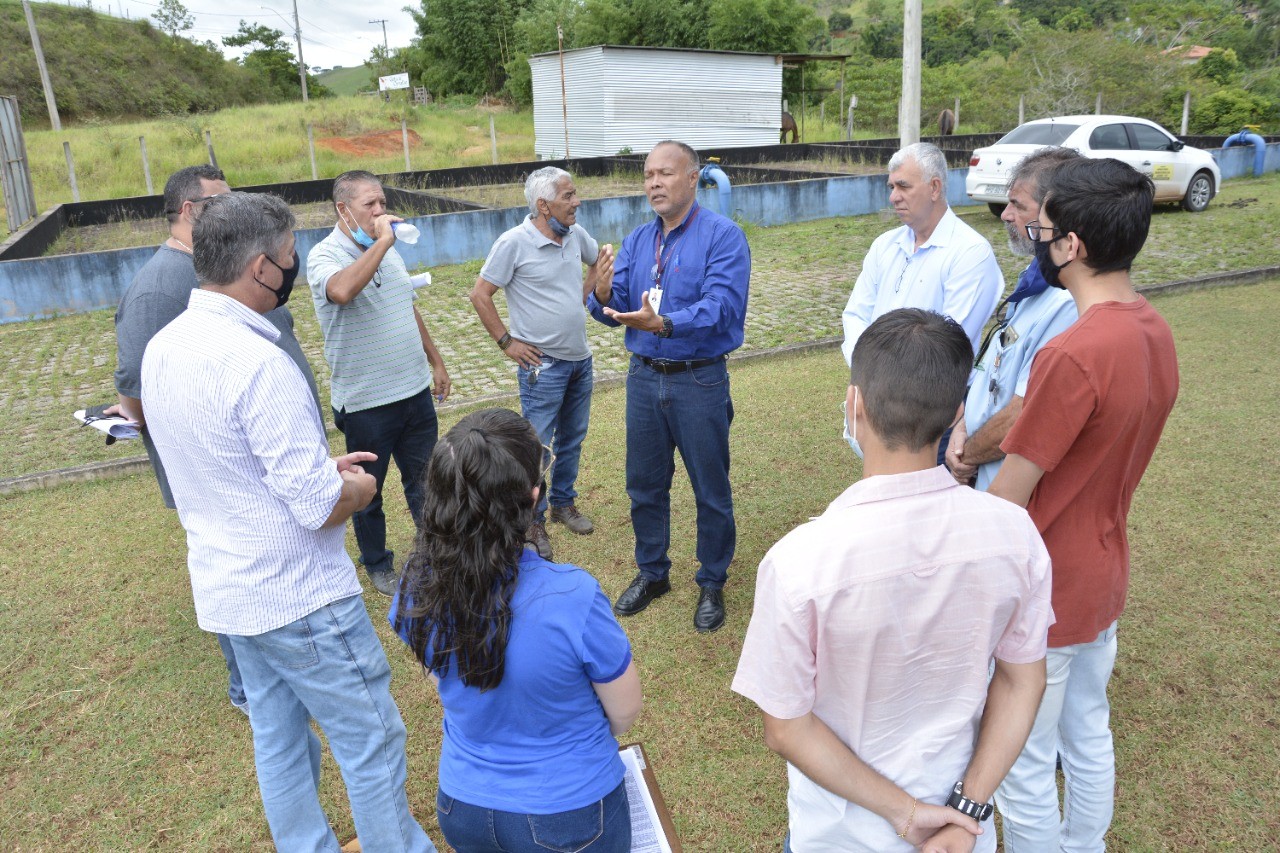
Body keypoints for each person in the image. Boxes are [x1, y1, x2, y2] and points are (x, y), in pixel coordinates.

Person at [141, 192, 434, 852]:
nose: (294, 263)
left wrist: (310, 467)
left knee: (278, 737)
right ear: (258, 269)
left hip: (232, 592)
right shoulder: (259, 363)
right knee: (371, 736)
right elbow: (316, 505)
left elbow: (223, 458)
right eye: (287, 255)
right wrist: (357, 486)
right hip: (299, 595)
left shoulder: (166, 347)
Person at [733, 308, 1053, 853]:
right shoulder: (1015, 534)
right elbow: (1024, 680)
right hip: (962, 829)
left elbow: (786, 728)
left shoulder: (798, 562)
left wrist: (906, 816)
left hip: (838, 834)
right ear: (956, 415)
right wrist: (966, 809)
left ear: (854, 406)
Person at [988, 158, 1179, 851]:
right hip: (1104, 571)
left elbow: (1009, 493)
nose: (1032, 235)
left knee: (1024, 763)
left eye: (1041, 226)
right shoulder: (1153, 328)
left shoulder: (1072, 354)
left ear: (1071, 246)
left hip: (1048, 585)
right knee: (1087, 731)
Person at [111, 164, 320, 716]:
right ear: (187, 211)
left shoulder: (219, 269)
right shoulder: (159, 285)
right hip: (220, 461)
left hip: (258, 448)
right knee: (234, 564)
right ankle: (248, 689)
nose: (230, 214)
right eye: (217, 205)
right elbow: (137, 380)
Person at [390, 408, 642, 853]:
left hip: (462, 808)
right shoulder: (573, 596)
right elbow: (624, 712)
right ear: (532, 497)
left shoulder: (413, 587)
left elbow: (447, 678)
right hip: (571, 816)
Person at [587, 140, 751, 634]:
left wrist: (665, 324)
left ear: (693, 177)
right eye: (647, 175)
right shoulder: (638, 240)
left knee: (710, 487)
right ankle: (653, 572)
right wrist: (598, 293)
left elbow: (722, 306)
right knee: (643, 485)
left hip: (698, 378)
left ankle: (712, 580)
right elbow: (613, 306)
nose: (654, 183)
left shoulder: (724, 236)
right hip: (642, 379)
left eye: (664, 173)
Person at [307, 170, 452, 596]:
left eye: (381, 202)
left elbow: (407, 305)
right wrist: (384, 242)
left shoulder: (386, 250)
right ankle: (377, 563)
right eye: (369, 204)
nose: (379, 211)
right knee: (367, 491)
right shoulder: (324, 255)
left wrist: (436, 362)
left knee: (426, 480)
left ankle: (437, 553)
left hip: (414, 391)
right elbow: (341, 291)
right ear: (343, 210)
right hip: (367, 402)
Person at [470, 167, 613, 560]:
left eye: (575, 193)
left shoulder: (575, 235)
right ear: (543, 205)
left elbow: (598, 259)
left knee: (573, 438)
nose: (577, 202)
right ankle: (534, 519)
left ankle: (565, 501)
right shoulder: (513, 243)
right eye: (568, 196)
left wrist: (584, 293)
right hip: (542, 366)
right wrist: (506, 342)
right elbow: (481, 295)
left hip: (580, 359)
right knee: (536, 447)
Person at [840, 142, 1003, 463]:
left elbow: (947, 343)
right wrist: (872, 377)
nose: (893, 196)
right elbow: (855, 315)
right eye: (891, 186)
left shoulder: (970, 253)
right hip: (878, 406)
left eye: (903, 186)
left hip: (933, 419)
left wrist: (877, 373)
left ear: (935, 188)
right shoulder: (884, 246)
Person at [946, 147, 1082, 490]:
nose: (1006, 215)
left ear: (1057, 216)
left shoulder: (1067, 301)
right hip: (987, 481)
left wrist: (967, 455)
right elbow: (995, 369)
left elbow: (1026, 412)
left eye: (1018, 206)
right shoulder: (1037, 277)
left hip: (1011, 494)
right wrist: (962, 427)